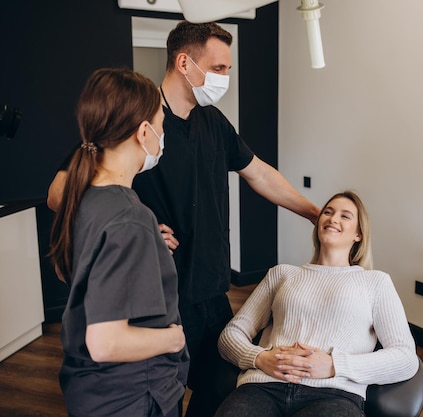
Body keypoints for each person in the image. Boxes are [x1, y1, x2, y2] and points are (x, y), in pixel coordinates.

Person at [47, 21, 320, 416]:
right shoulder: (134, 118)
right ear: (184, 62)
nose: (225, 78)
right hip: (159, 294)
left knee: (222, 385)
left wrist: (314, 213)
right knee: (164, 386)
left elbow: (259, 173)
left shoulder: (214, 123)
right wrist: (134, 220)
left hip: (210, 287)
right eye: (220, 68)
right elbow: (61, 193)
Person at [48, 68, 189, 417]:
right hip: (133, 396)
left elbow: (73, 273)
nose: (162, 134)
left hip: (92, 392)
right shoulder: (129, 217)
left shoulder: (83, 198)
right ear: (144, 133)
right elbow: (107, 343)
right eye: (161, 124)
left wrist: (143, 246)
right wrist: (175, 339)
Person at [216, 191, 419, 417]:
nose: (333, 219)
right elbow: (231, 334)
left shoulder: (375, 282)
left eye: (345, 216)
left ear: (359, 235)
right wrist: (260, 358)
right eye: (328, 212)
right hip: (262, 387)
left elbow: (405, 358)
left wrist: (335, 365)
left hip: (334, 395)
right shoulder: (282, 274)